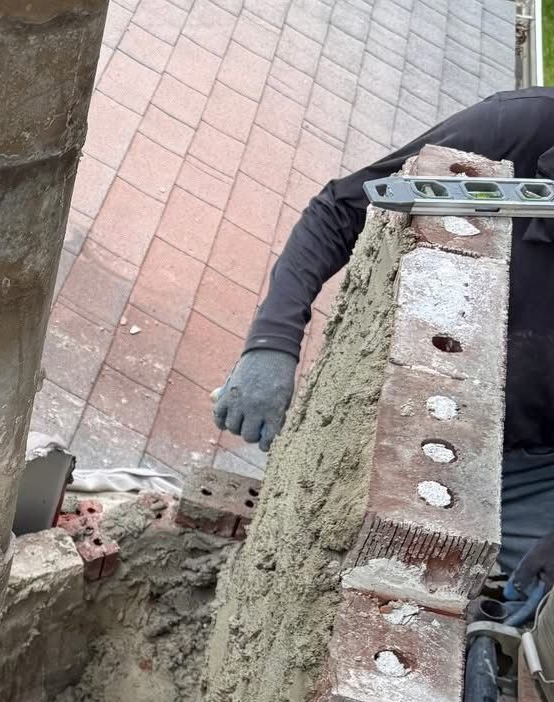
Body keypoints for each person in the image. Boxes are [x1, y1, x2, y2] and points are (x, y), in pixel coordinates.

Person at [214, 87, 554, 617]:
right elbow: (339, 209)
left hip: (534, 470)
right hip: (404, 406)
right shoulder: (522, 131)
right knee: (330, 571)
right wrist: (271, 346)